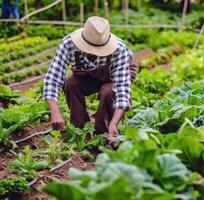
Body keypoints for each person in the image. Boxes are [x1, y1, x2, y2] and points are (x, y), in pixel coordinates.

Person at [43, 16, 137, 146]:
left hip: (114, 75)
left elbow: (122, 90)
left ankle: (105, 133)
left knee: (108, 91)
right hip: (88, 75)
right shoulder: (68, 44)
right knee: (71, 83)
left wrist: (114, 123)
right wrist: (55, 113)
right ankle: (80, 131)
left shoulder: (119, 49)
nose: (94, 52)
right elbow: (52, 78)